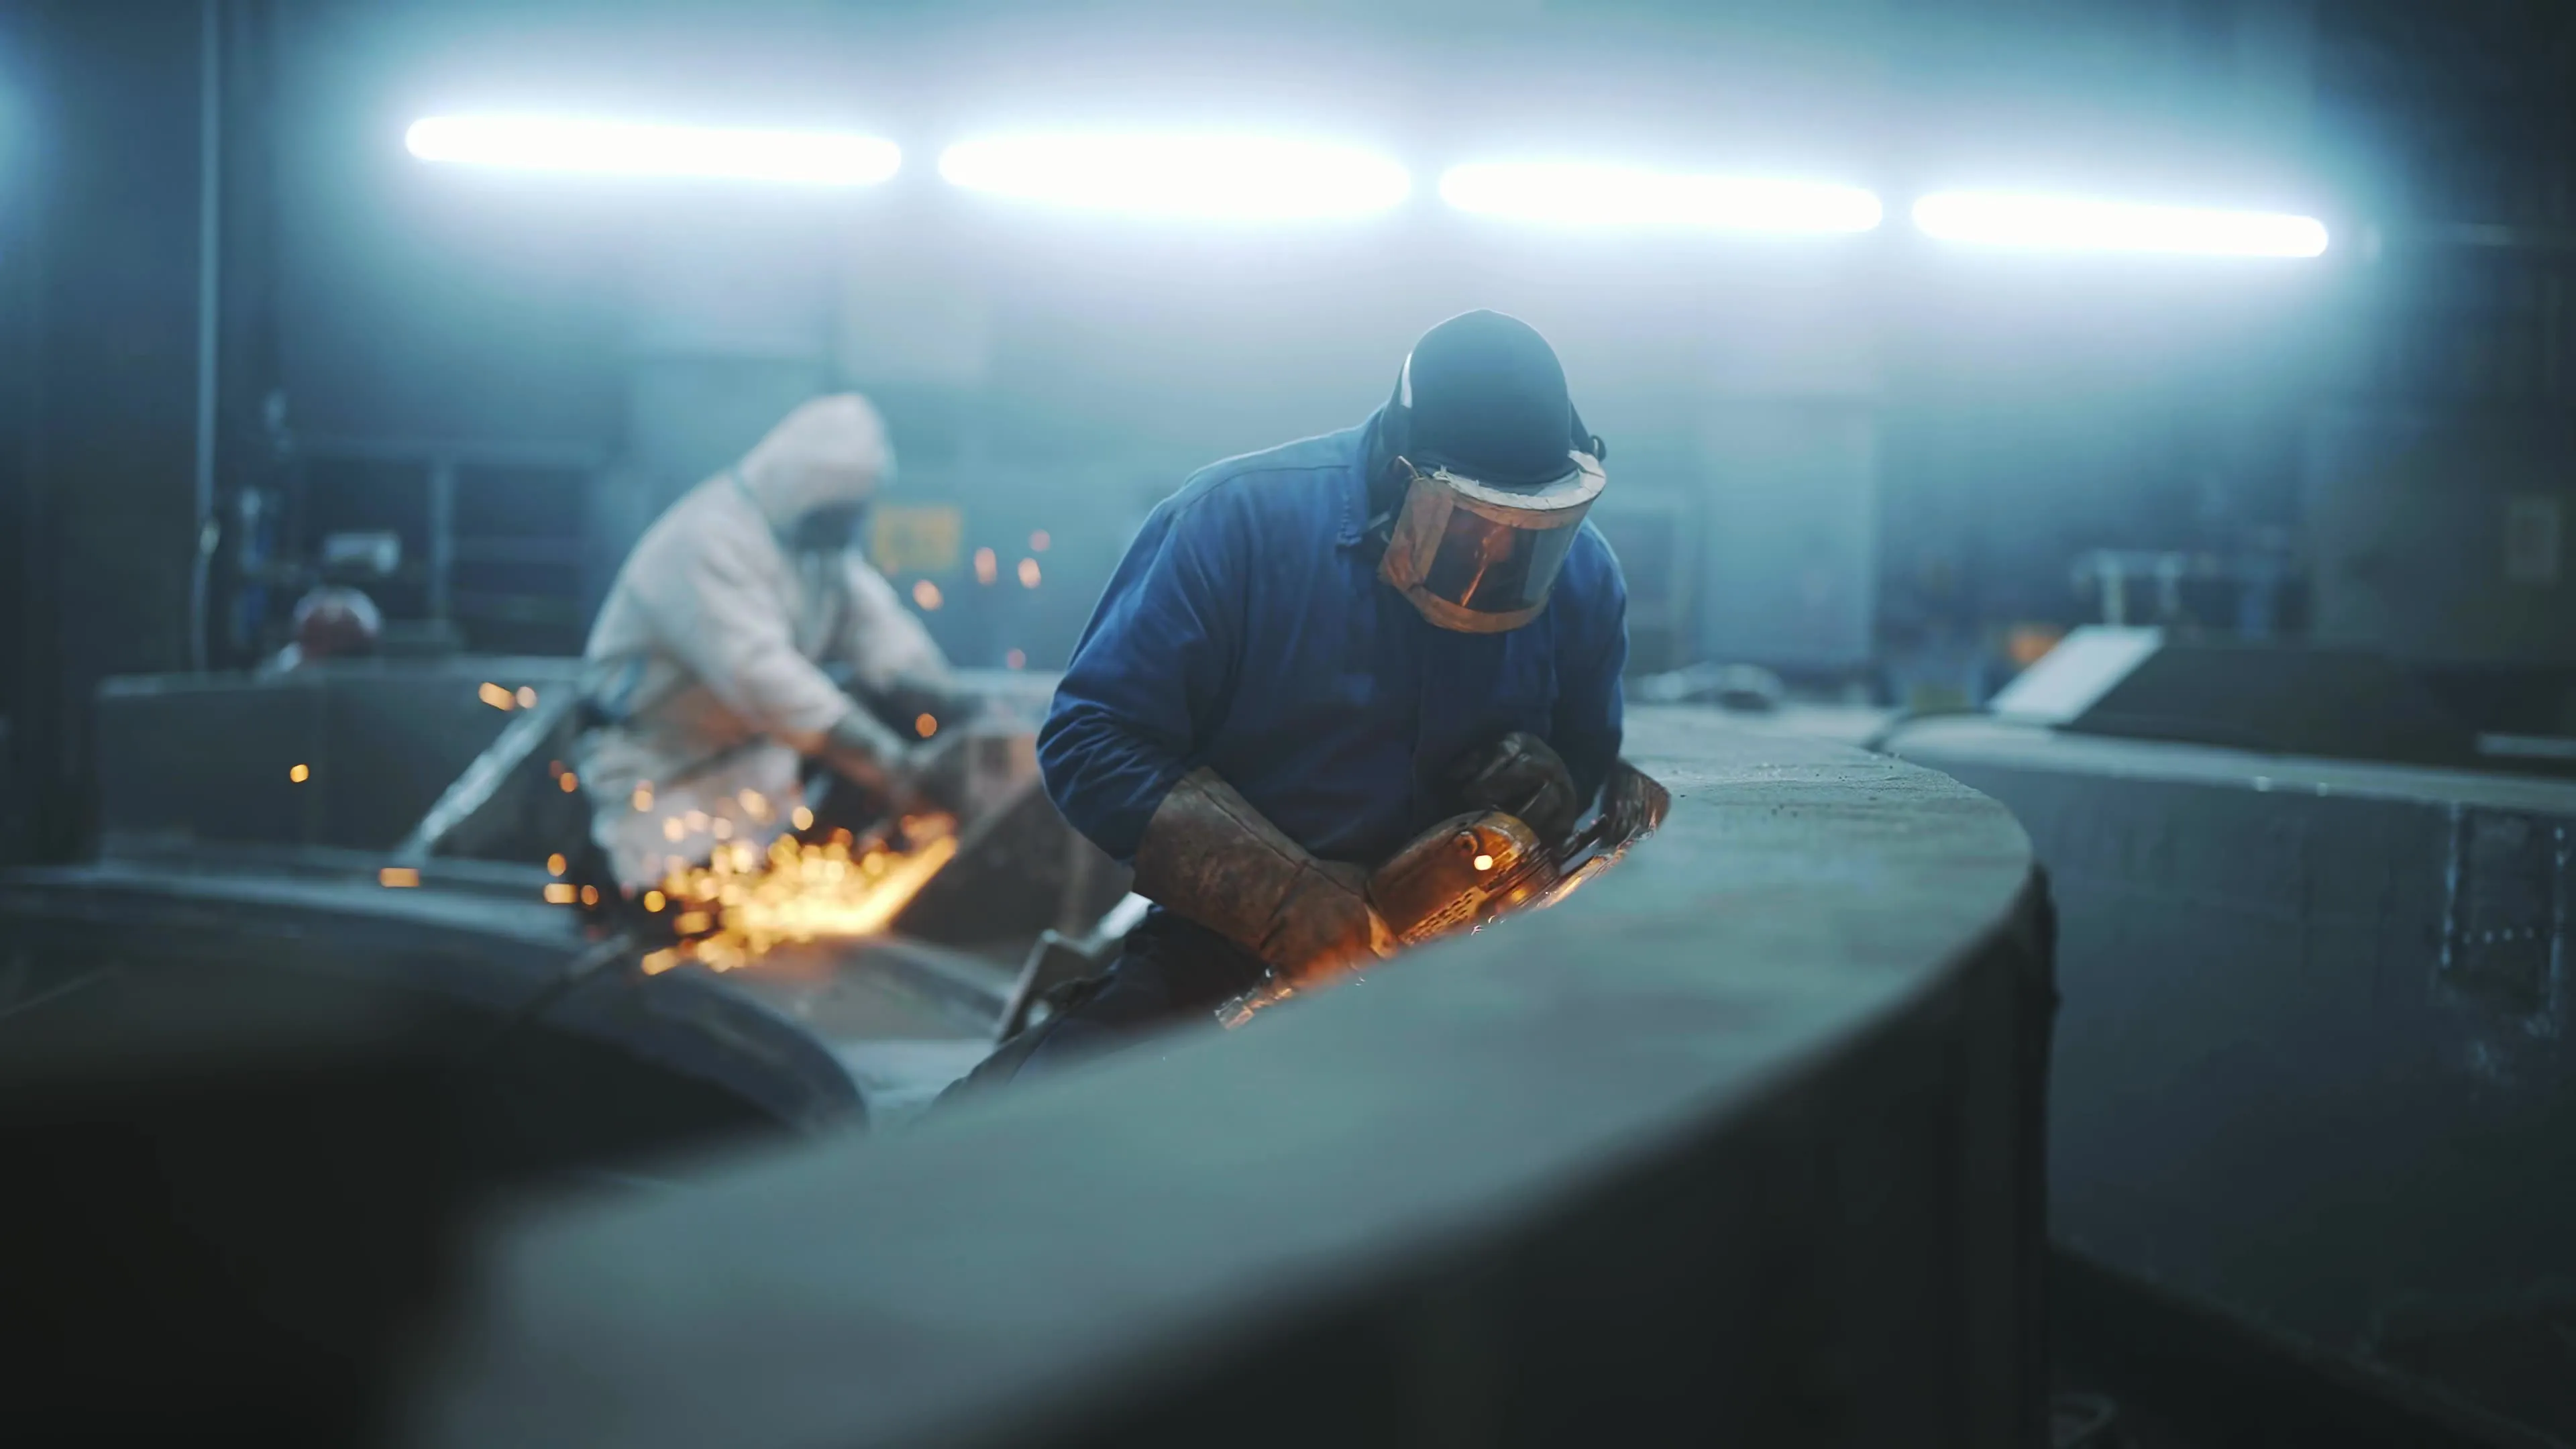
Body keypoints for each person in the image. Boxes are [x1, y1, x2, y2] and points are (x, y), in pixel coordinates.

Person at [964, 310, 1629, 1088]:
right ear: (1397, 476)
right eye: (1473, 525)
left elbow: (1594, 766)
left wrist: (1556, 788)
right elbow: (1093, 741)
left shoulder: (1584, 575)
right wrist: (1283, 896)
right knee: (985, 1139)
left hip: (1465, 958)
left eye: (1534, 528)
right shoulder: (1236, 524)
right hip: (1232, 949)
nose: (1503, 558)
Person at [575, 394, 953, 892]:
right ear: (800, 488)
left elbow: (879, 629)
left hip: (756, 777)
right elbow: (763, 678)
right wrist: (887, 761)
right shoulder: (707, 541)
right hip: (660, 783)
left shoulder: (813, 544)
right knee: (683, 922)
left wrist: (947, 703)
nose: (847, 528)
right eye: (839, 513)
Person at [260, 586, 384, 675]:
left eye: (341, 651)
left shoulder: (382, 688)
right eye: (315, 639)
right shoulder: (281, 673)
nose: (325, 655)